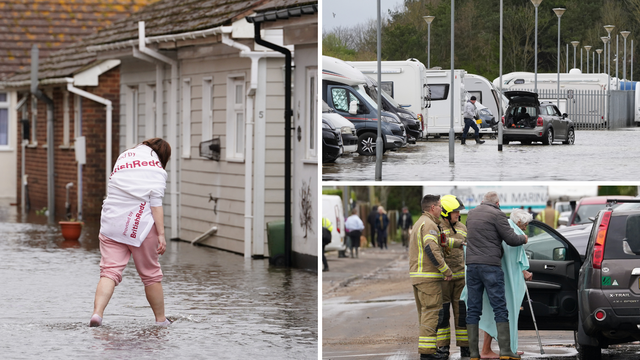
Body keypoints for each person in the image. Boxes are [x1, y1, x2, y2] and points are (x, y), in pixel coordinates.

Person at [90, 138, 172, 327]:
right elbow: (156, 204)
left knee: (109, 272)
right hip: (139, 227)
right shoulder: (157, 170)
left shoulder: (124, 157)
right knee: (151, 275)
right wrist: (161, 235)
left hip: (112, 223)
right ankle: (161, 320)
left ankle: (97, 314)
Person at [464, 191, 528, 360]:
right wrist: (524, 238)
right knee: (499, 307)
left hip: (471, 266)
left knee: (473, 309)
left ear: (482, 201)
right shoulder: (497, 214)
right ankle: (506, 351)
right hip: (490, 267)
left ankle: (474, 353)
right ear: (497, 203)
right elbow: (511, 239)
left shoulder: (471, 214)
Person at [477, 208, 533, 359]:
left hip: (496, 277)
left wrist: (521, 271)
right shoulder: (514, 234)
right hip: (506, 281)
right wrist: (523, 272)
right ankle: (494, 349)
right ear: (519, 222)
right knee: (504, 313)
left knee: (496, 313)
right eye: (525, 224)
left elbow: (509, 260)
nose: (526, 227)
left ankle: (502, 348)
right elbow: (514, 261)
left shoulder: (504, 229)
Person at [409, 194, 453, 359]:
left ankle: (428, 351)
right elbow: (431, 249)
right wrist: (445, 270)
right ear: (433, 207)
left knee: (426, 314)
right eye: (440, 206)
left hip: (419, 277)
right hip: (428, 278)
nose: (442, 209)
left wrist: (457, 243)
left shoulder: (421, 222)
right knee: (432, 313)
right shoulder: (429, 225)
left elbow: (439, 243)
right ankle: (427, 354)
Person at [435, 195, 470, 359]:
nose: (458, 214)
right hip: (443, 279)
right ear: (446, 213)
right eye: (455, 211)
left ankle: (465, 347)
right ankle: (442, 348)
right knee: (443, 315)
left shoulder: (463, 227)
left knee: (462, 314)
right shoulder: (436, 228)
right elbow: (437, 245)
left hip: (461, 279)